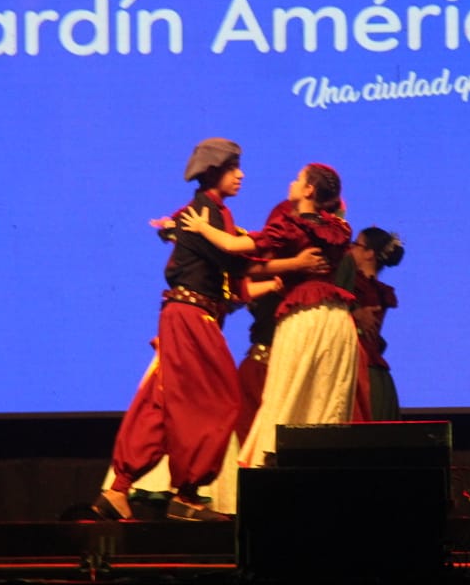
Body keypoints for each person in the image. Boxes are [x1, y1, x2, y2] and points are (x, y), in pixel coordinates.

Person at [92, 138, 280, 523]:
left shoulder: (212, 214)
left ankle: (119, 488)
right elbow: (236, 262)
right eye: (233, 169)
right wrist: (292, 262)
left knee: (164, 402)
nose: (241, 175)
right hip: (190, 316)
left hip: (192, 316)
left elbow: (233, 279)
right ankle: (187, 494)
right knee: (219, 398)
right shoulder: (201, 215)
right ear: (214, 173)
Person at [178, 163, 358, 472]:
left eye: (297, 178)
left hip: (304, 317)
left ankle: (271, 469)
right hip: (338, 321)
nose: (291, 182)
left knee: (286, 393)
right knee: (327, 399)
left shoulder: (290, 225)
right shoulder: (338, 229)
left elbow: (235, 247)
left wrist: (202, 227)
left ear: (308, 190)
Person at [336, 226, 405, 421]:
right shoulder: (373, 289)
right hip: (370, 369)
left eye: (356, 245)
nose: (350, 249)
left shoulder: (367, 288)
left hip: (362, 370)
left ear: (369, 254)